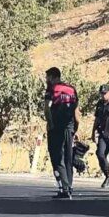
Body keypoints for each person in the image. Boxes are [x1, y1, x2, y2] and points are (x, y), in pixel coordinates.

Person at [44, 67, 81, 200]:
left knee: (57, 158)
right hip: (69, 127)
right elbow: (76, 112)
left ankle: (64, 188)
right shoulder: (71, 89)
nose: (46, 80)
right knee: (68, 158)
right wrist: (76, 128)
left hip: (56, 128)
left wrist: (50, 123)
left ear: (53, 77)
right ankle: (69, 186)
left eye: (47, 77)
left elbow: (47, 108)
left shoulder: (52, 89)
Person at [91, 85, 109, 187]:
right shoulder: (100, 104)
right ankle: (108, 176)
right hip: (103, 133)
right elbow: (97, 119)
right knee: (100, 154)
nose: (103, 95)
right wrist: (93, 132)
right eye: (101, 93)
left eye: (105, 93)